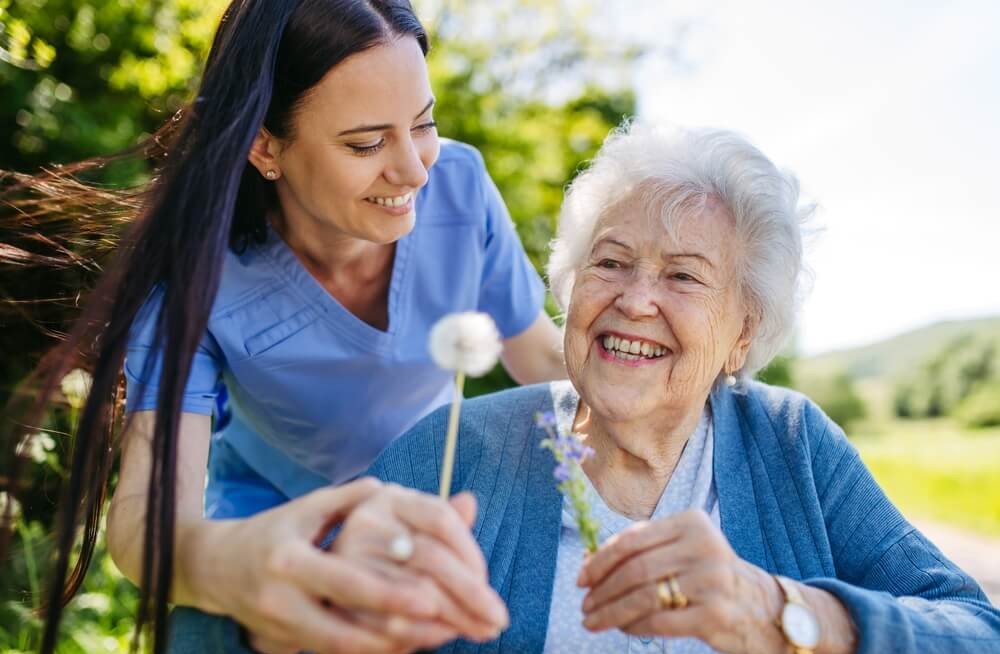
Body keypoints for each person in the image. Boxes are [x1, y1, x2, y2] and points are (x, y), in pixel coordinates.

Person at [171, 121, 1000, 652]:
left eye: (684, 275)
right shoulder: (460, 452)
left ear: (744, 332)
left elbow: (976, 628)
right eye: (610, 262)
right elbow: (229, 626)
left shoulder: (791, 443)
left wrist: (779, 612)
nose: (634, 300)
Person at [4, 1, 563, 652]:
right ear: (265, 147)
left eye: (424, 123)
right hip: (271, 526)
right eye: (366, 143)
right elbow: (144, 524)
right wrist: (236, 566)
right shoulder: (194, 276)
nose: (415, 169)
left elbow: (546, 363)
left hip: (436, 503)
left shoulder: (460, 188)